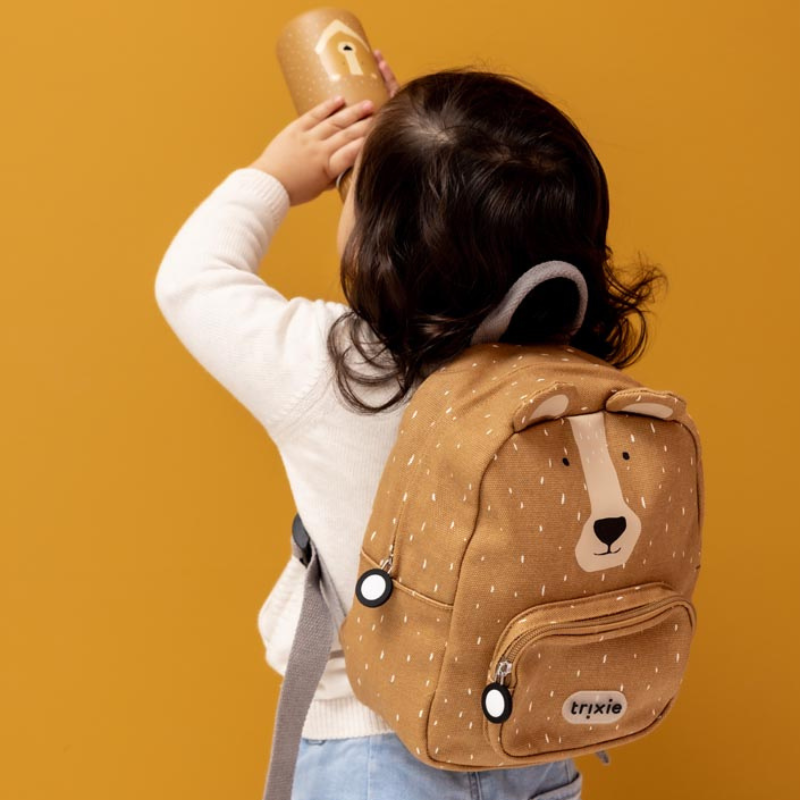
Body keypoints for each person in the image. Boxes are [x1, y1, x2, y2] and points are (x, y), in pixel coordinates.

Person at [154, 50, 666, 800]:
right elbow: (471, 210)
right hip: (530, 739)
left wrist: (277, 176)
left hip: (376, 753)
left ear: (374, 243)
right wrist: (416, 145)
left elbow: (191, 277)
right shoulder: (571, 372)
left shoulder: (335, 370)